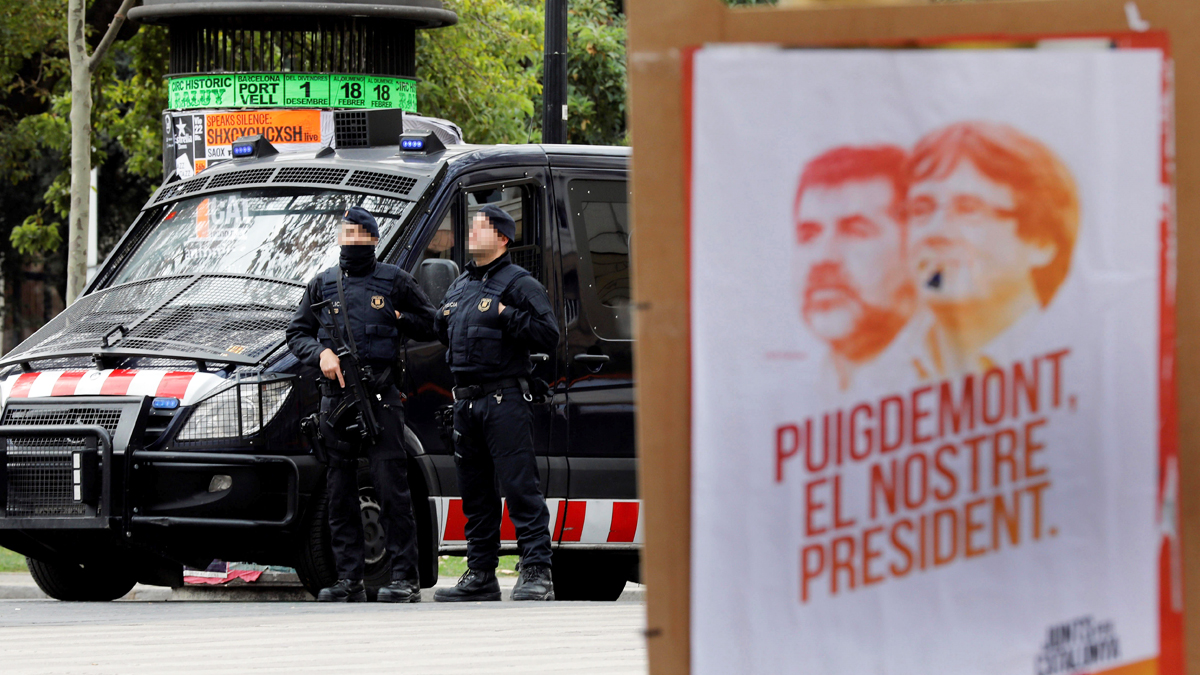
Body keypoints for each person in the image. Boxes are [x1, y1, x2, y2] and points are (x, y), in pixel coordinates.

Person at [286, 206, 438, 602]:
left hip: (380, 399)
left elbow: (432, 324)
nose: (350, 238)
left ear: (372, 238)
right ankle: (347, 579)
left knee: (392, 490)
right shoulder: (322, 284)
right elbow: (297, 332)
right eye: (345, 232)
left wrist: (398, 317)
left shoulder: (394, 281)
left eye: (358, 233)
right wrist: (320, 353)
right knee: (338, 493)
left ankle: (405, 578)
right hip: (335, 401)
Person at [433, 204, 560, 602]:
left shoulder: (519, 284)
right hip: (466, 403)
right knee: (475, 493)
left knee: (520, 486)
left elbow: (548, 334)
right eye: (471, 226)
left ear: (503, 237)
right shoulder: (458, 286)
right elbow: (445, 331)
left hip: (504, 399)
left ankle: (537, 571)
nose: (471, 232)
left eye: (481, 226)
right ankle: (481, 574)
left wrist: (505, 314)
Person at [906, 121, 1079, 375]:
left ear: (1041, 242)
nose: (935, 231)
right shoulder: (871, 374)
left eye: (968, 209)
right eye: (920, 209)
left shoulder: (1081, 359)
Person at [792, 144, 916, 391]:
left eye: (855, 231)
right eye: (809, 235)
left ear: (914, 247)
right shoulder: (799, 388)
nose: (822, 257)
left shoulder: (958, 377)